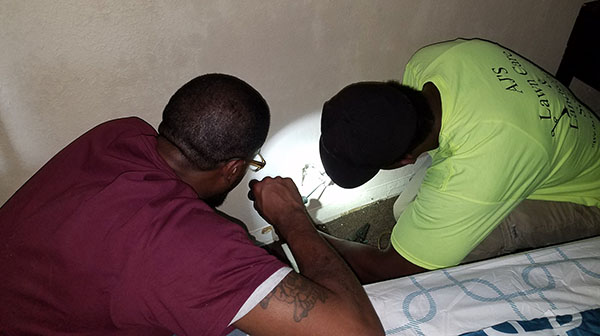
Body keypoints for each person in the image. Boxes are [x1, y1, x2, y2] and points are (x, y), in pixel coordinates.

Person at [0, 74, 384, 335]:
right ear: (234, 169)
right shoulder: (191, 254)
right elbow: (358, 331)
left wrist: (226, 239)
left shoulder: (119, 133)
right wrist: (292, 217)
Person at [318, 38, 600, 284]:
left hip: (587, 198)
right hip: (544, 148)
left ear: (405, 160)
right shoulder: (427, 64)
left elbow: (391, 269)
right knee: (404, 211)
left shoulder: (483, 166)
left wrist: (304, 232)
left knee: (443, 254)